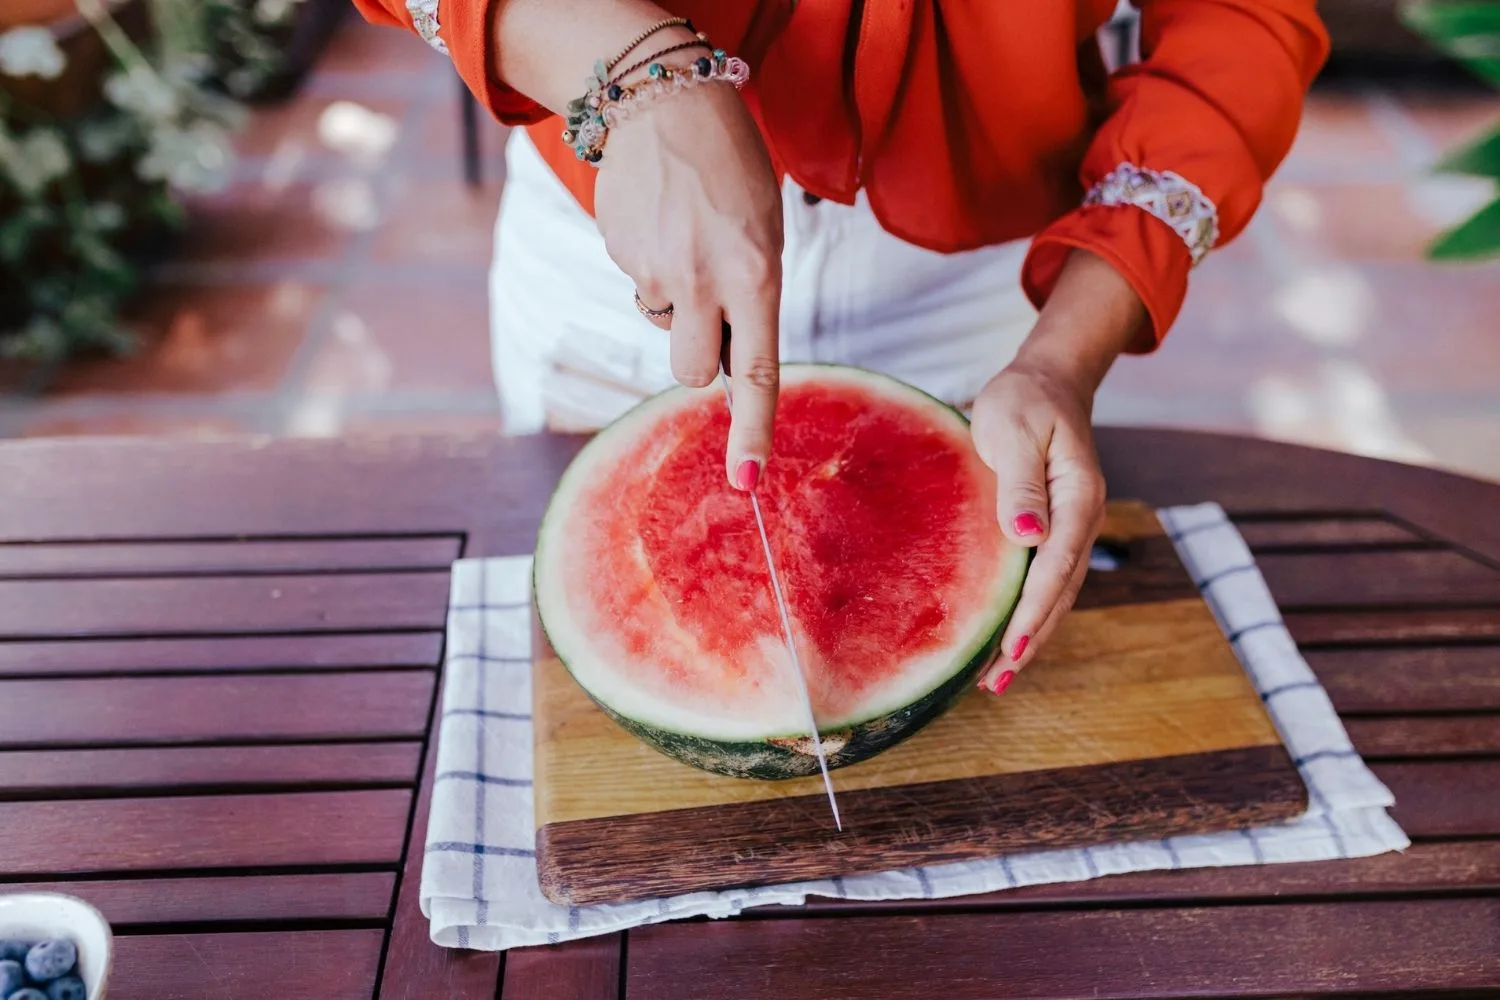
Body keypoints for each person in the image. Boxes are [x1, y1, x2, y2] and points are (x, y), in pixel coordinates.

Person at [353, 0, 1329, 691]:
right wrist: (634, 69)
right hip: (630, 221)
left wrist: (1062, 355)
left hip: (978, 286)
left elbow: (1241, 21)